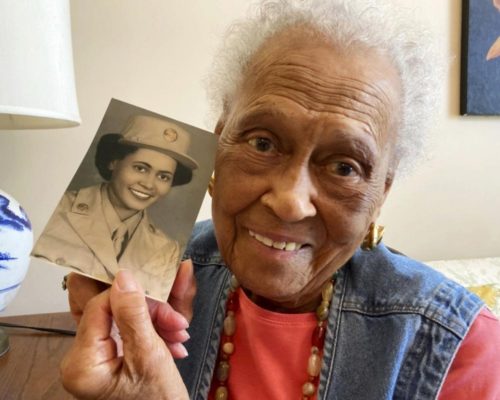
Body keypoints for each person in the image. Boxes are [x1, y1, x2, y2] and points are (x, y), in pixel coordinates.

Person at [59, 1, 500, 399]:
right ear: (218, 144)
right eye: (263, 143)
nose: (290, 202)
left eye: (345, 167)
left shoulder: (462, 348)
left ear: (380, 193)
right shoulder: (152, 270)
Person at [32, 115, 199, 300]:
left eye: (163, 177)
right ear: (113, 162)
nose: (149, 184)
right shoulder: (58, 209)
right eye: (141, 168)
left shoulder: (168, 250)